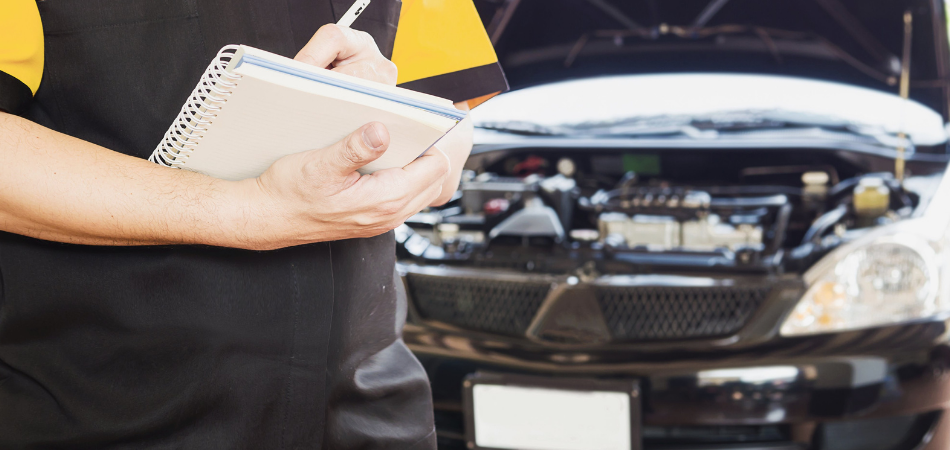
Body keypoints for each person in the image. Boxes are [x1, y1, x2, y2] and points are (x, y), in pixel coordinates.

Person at [0, 0, 507, 448]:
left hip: (374, 411)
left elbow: (453, 129)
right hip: (109, 414)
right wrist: (244, 210)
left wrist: (398, 127)